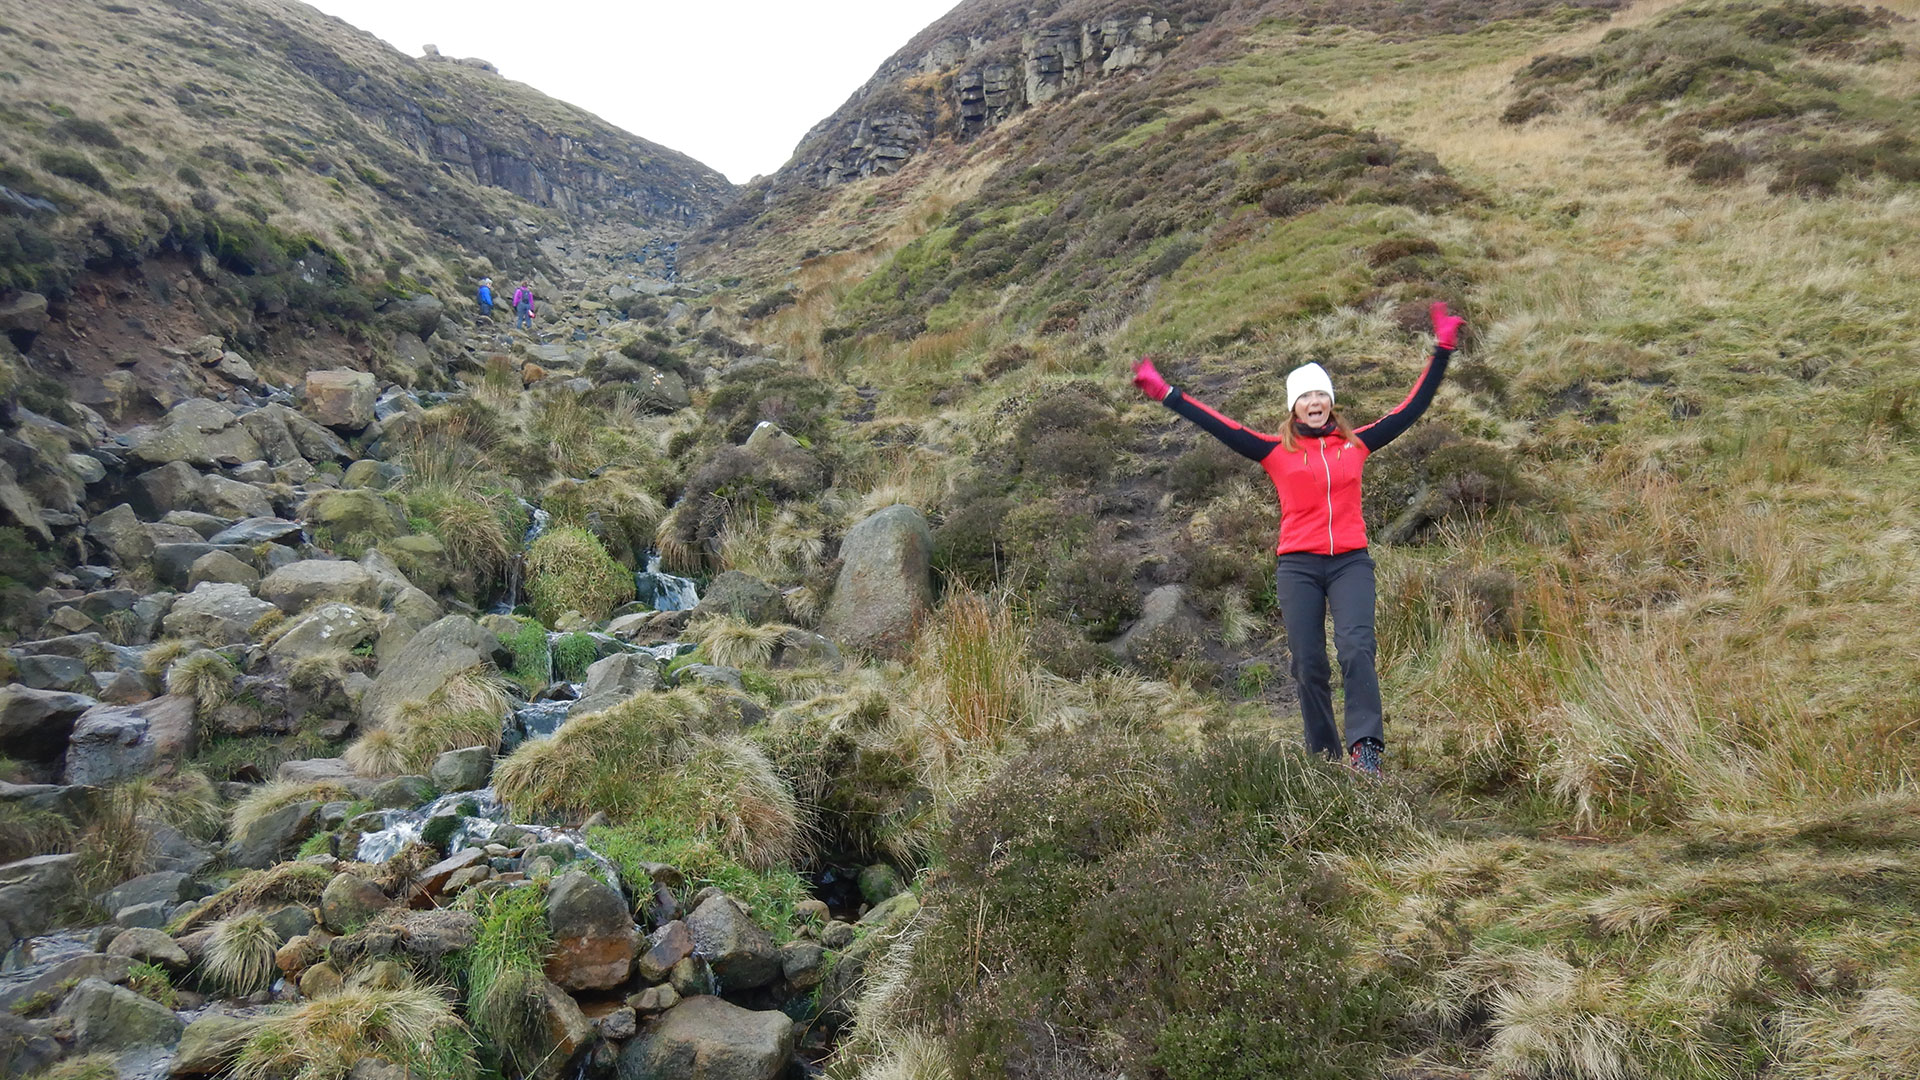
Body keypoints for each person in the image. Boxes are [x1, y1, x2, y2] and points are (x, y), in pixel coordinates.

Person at [1132, 302, 1464, 776]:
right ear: (1293, 406)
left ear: (1331, 402)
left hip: (1351, 561)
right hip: (1299, 568)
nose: (1314, 402)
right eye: (1305, 396)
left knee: (1355, 649)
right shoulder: (1274, 451)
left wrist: (1443, 348)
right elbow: (1217, 423)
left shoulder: (1357, 443)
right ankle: (1325, 757)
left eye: (1321, 395)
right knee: (1308, 664)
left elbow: (1412, 407)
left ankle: (1365, 748)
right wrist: (1166, 393)